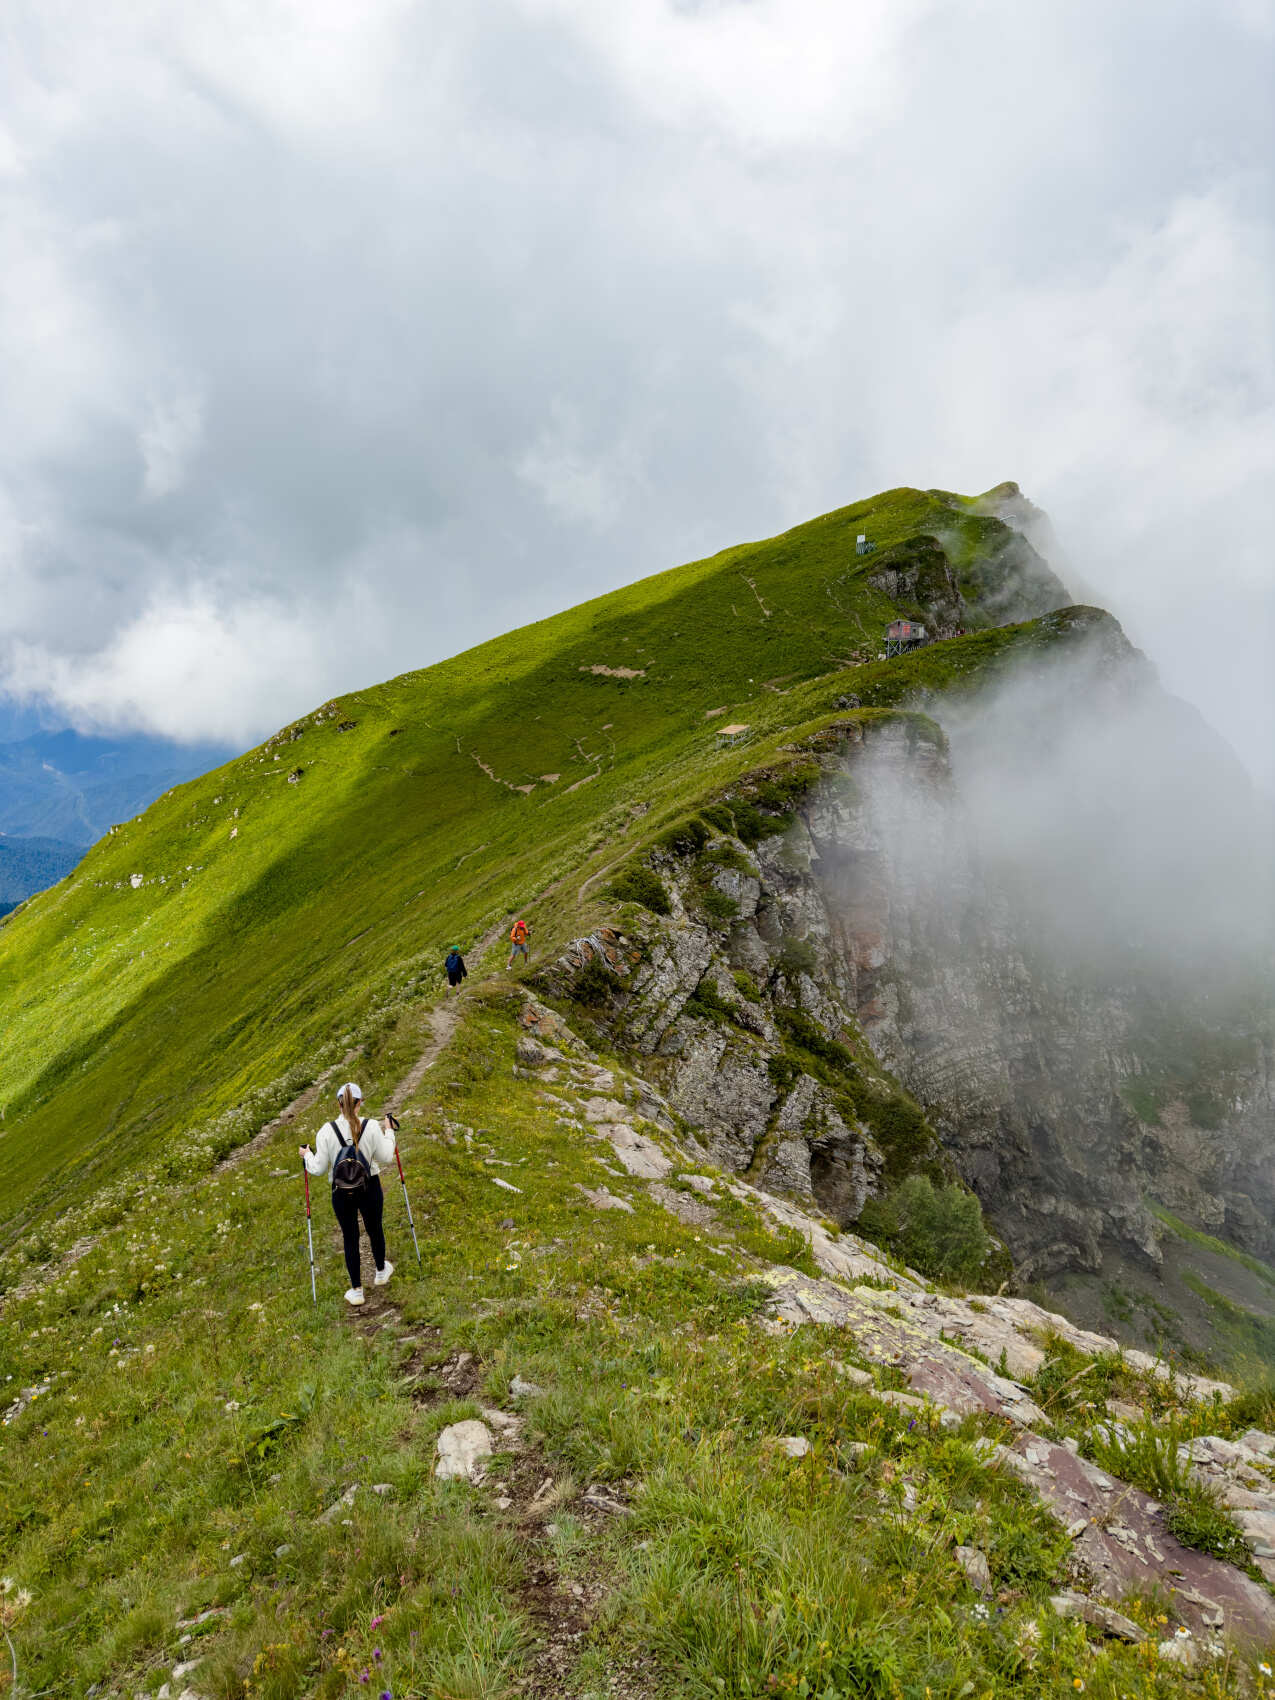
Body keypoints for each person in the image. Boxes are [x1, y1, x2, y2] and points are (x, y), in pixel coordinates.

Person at [300, 1082, 396, 1307]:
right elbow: (386, 1157)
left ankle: (357, 1290)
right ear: (360, 1103)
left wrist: (306, 1155)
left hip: (340, 1191)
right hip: (369, 1185)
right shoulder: (372, 1126)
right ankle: (381, 1271)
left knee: (350, 1237)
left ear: (338, 1104)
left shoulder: (326, 1130)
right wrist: (389, 1131)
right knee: (374, 1229)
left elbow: (318, 1168)